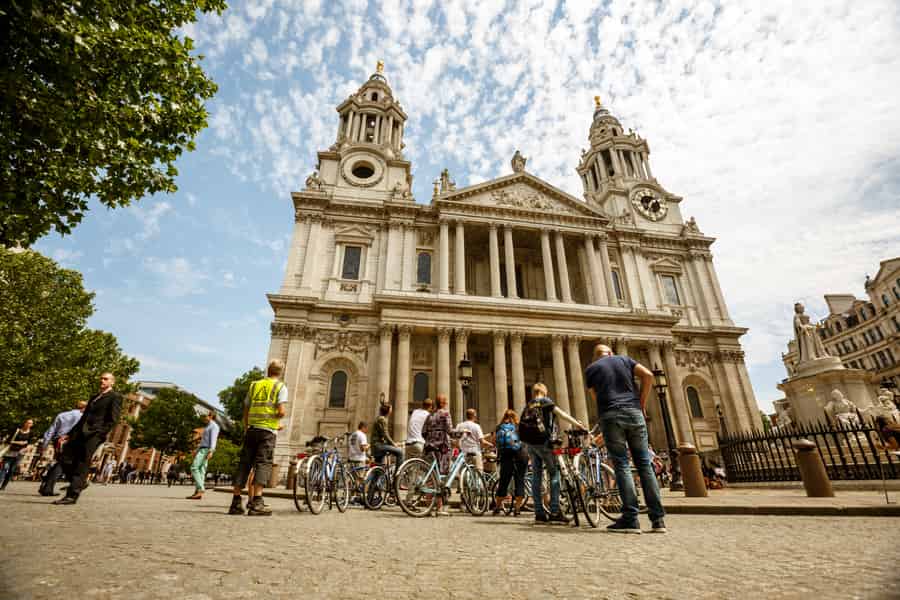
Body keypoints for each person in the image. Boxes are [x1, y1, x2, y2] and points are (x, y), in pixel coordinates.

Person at [584, 344, 666, 533]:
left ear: (596, 357)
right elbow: (648, 376)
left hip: (611, 415)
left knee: (621, 465)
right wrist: (641, 405)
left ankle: (631, 518)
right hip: (634, 413)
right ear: (611, 353)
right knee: (645, 465)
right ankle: (658, 520)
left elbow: (596, 398)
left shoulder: (592, 369)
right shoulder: (624, 359)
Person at [229, 360, 288, 516]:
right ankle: (257, 502)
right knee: (263, 464)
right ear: (280, 372)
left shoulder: (254, 385)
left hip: (252, 429)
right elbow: (281, 412)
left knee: (244, 463)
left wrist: (247, 426)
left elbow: (246, 408)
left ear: (268, 370)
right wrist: (275, 421)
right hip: (267, 432)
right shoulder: (280, 386)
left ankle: (235, 502)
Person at [520, 382, 585, 524]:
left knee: (536, 476)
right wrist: (577, 424)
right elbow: (561, 414)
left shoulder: (528, 405)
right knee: (554, 473)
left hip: (531, 445)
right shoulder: (545, 401)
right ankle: (555, 510)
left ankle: (539, 513)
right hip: (544, 443)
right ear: (545, 391)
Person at [54, 373, 123, 505]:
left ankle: (71, 496)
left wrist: (100, 433)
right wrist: (69, 434)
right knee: (64, 458)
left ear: (112, 382)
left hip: (93, 435)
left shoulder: (115, 397)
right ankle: (81, 482)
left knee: (82, 463)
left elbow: (113, 420)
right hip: (79, 433)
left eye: (105, 379)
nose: (102, 380)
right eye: (101, 378)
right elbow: (83, 418)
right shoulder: (94, 397)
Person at [37, 401, 87, 496]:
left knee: (60, 462)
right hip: (69, 441)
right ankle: (77, 482)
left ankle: (45, 486)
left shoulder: (62, 415)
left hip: (57, 441)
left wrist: (45, 444)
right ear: (84, 408)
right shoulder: (81, 417)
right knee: (62, 464)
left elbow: (51, 430)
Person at [422, 394, 452, 516]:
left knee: (431, 477)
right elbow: (450, 431)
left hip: (429, 447)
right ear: (444, 403)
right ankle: (439, 508)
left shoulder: (430, 415)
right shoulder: (445, 414)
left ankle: (428, 506)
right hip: (442, 448)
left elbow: (423, 432)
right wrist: (463, 433)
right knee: (441, 477)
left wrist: (431, 440)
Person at [493, 409, 528, 516]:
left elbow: (495, 442)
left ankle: (498, 507)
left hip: (506, 456)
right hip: (520, 455)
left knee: (503, 481)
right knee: (520, 480)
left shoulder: (499, 427)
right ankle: (517, 509)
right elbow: (526, 441)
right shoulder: (520, 426)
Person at [187, 411, 220, 500]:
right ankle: (198, 492)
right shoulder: (208, 426)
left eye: (205, 415)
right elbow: (203, 440)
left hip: (206, 449)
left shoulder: (214, 426)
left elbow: (213, 439)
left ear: (211, 416)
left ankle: (201, 489)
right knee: (201, 471)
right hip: (202, 449)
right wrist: (196, 450)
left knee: (194, 467)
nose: (204, 417)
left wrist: (211, 451)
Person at [1, 419, 35, 490]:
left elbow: (30, 444)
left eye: (30, 423)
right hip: (10, 452)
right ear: (24, 423)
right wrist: (18, 442)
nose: (28, 424)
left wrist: (26, 448)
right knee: (4, 468)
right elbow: (8, 441)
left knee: (11, 470)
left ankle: (4, 485)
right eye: (27, 423)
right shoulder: (16, 430)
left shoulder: (31, 433)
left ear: (32, 425)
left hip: (20, 454)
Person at [371, 403, 403, 472]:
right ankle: (397, 476)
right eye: (391, 409)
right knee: (400, 452)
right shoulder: (382, 419)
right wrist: (393, 444)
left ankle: (373, 482)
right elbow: (385, 434)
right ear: (388, 410)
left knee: (379, 470)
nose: (391, 410)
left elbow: (382, 435)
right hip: (378, 446)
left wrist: (392, 443)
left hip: (376, 446)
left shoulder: (379, 418)